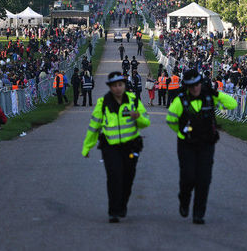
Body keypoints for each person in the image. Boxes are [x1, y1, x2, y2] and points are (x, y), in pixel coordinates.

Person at [166, 69, 237, 224]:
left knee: (203, 180)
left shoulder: (209, 97)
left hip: (206, 143)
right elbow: (170, 120)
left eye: (197, 84)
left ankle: (199, 213)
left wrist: (216, 93)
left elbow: (232, 104)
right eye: (191, 86)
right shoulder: (180, 100)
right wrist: (181, 132)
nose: (195, 88)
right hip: (186, 144)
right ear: (186, 86)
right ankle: (184, 199)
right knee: (188, 177)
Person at [82, 71, 151, 223]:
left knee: (128, 177)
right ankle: (113, 211)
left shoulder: (133, 101)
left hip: (130, 146)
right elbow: (94, 127)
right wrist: (87, 146)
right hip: (110, 147)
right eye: (114, 86)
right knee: (114, 177)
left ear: (124, 86)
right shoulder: (103, 103)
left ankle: (122, 205)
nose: (118, 88)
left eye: (120, 85)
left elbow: (146, 122)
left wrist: (138, 117)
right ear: (110, 88)